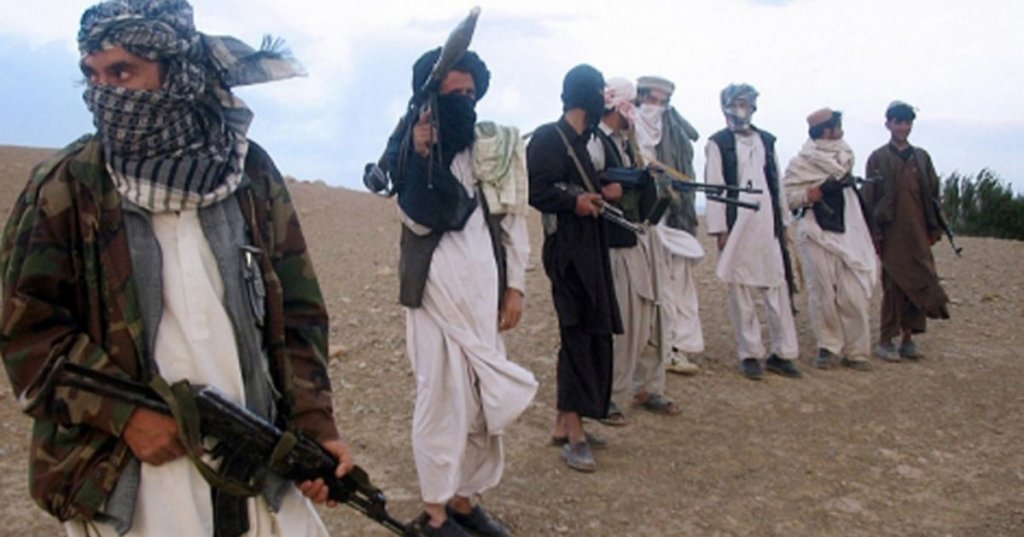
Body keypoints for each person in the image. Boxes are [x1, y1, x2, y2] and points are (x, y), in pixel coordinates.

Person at [0, 1, 352, 535]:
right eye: (93, 76)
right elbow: (27, 332)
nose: (105, 93)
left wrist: (314, 423)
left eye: (123, 72)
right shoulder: (67, 187)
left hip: (254, 454)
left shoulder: (247, 173)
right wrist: (126, 417)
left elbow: (298, 314)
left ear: (176, 71)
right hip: (133, 475)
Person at [383, 47, 537, 537]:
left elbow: (513, 224)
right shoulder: (406, 149)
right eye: (453, 94)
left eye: (470, 93)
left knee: (479, 404)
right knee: (441, 399)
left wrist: (515, 287)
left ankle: (465, 502)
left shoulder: (494, 148)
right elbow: (416, 217)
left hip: (484, 301)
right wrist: (420, 154)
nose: (464, 102)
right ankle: (434, 512)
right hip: (435, 300)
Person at [528, 64, 623, 472]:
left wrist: (602, 193)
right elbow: (536, 190)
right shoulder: (549, 138)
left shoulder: (582, 142)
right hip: (567, 253)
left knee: (590, 330)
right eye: (600, 92)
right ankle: (576, 433)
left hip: (590, 249)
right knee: (577, 334)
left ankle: (564, 422)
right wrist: (576, 203)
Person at [586, 78, 680, 424]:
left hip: (641, 238)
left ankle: (648, 386)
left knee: (654, 315)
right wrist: (604, 190)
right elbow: (585, 184)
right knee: (625, 323)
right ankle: (611, 396)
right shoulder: (595, 142)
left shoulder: (629, 144)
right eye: (634, 105)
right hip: (615, 244)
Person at [705, 83, 802, 381]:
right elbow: (714, 187)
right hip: (738, 224)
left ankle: (783, 353)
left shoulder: (766, 140)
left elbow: (776, 182)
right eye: (737, 103)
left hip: (767, 224)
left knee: (776, 286)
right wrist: (720, 228)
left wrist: (784, 221)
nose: (742, 109)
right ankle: (750, 353)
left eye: (746, 103)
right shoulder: (718, 143)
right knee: (741, 289)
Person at [783, 108, 877, 371]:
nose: (841, 129)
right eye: (837, 125)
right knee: (823, 292)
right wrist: (810, 194)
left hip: (850, 231)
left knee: (854, 293)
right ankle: (828, 346)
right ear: (826, 130)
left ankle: (857, 351)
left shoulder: (844, 156)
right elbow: (787, 197)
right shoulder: (800, 163)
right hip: (816, 231)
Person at [861, 101, 950, 362]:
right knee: (894, 285)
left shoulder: (921, 158)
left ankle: (908, 339)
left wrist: (934, 227)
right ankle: (886, 339)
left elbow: (932, 195)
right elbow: (869, 198)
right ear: (888, 124)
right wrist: (873, 232)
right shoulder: (878, 158)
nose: (902, 127)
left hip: (918, 231)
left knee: (920, 281)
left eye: (907, 123)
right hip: (890, 232)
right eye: (898, 122)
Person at [634, 75, 705, 377]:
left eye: (664, 102)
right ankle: (654, 348)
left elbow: (685, 171)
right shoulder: (629, 129)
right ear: (640, 98)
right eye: (653, 100)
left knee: (678, 281)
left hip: (674, 219)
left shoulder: (675, 133)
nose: (657, 107)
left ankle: (678, 346)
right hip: (643, 222)